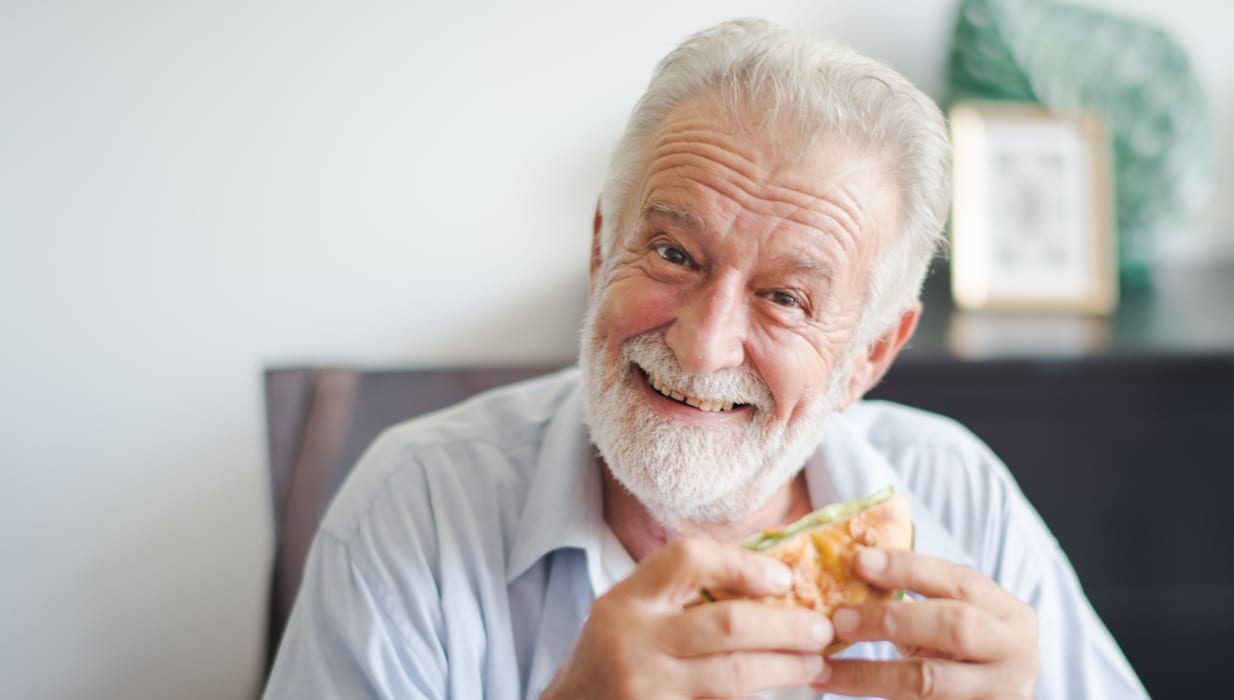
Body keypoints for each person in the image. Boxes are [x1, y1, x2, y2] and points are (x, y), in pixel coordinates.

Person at [264, 18, 1148, 700]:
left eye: (786, 299)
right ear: (602, 247)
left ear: (871, 354)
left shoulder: (962, 503)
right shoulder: (413, 508)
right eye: (675, 256)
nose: (702, 341)